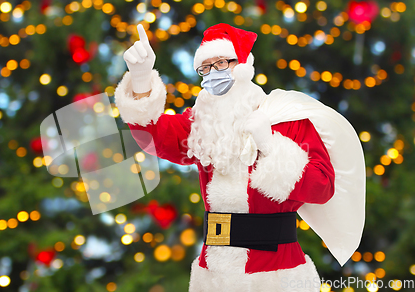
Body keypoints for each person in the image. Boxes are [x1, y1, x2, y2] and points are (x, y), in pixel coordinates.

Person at [114, 23, 365, 292]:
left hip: (276, 275)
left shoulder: (285, 119)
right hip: (214, 277)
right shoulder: (200, 123)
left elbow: (322, 187)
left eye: (221, 62)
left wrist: (270, 146)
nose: (213, 73)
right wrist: (140, 81)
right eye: (205, 68)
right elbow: (151, 137)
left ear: (244, 64)